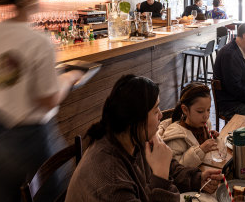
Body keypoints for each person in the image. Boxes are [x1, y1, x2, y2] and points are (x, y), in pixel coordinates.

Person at [0, 0, 83, 201]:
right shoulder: (38, 41)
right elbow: (48, 100)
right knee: (52, 195)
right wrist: (69, 78)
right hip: (29, 138)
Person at [66, 74, 222, 202]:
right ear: (135, 120)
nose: (161, 115)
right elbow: (163, 171)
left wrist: (197, 179)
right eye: (155, 111)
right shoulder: (110, 179)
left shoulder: (132, 138)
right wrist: (160, 175)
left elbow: (171, 168)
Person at [158, 83, 218, 168]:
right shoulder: (175, 137)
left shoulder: (204, 124)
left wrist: (210, 136)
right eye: (200, 111)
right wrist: (201, 150)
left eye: (208, 110)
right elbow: (176, 168)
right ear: (185, 110)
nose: (206, 115)